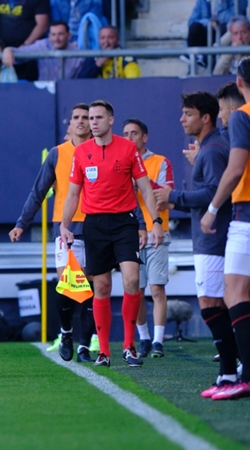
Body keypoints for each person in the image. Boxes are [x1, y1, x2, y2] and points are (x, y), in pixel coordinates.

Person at [60, 99, 165, 368]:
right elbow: (73, 193)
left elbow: (144, 187)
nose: (92, 122)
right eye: (90, 118)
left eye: (97, 117)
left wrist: (154, 221)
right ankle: (104, 352)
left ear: (110, 120)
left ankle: (129, 347)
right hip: (94, 224)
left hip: (125, 223)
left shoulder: (129, 148)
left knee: (131, 281)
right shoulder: (81, 152)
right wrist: (64, 224)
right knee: (102, 286)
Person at [153, 91, 236, 398]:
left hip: (213, 238)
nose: (181, 119)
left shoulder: (213, 149)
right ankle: (234, 367)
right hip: (213, 237)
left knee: (211, 305)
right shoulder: (210, 147)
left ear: (206, 117)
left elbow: (215, 192)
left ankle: (230, 371)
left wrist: (173, 197)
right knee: (224, 304)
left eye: (187, 113)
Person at [10, 104, 98, 362]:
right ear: (69, 124)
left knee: (91, 289)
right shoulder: (58, 154)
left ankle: (84, 345)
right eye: (77, 118)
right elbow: (38, 192)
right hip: (66, 227)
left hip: (96, 226)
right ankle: (66, 333)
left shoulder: (100, 151)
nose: (81, 121)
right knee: (69, 286)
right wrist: (21, 224)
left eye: (86, 117)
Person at [199, 58, 250, 400]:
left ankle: (244, 374)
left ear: (239, 80)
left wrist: (213, 208)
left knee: (234, 294)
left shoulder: (244, 114)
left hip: (245, 213)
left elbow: (235, 169)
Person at [122, 118, 173, 359]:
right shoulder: (120, 162)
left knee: (157, 288)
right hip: (129, 232)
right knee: (136, 290)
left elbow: (166, 194)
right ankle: (143, 337)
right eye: (126, 134)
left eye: (134, 133)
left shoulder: (160, 161)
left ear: (145, 137)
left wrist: (141, 181)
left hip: (156, 232)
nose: (130, 138)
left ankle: (158, 341)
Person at [2, 21, 84, 81]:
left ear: (69, 36)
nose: (56, 39)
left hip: (69, 93)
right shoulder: (42, 45)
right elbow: (23, 53)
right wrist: (8, 50)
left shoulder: (78, 54)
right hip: (45, 93)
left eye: (60, 34)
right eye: (53, 34)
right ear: (49, 36)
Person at [0, 0, 49, 81]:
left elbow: (42, 25)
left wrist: (26, 45)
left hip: (29, 51)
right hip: (2, 49)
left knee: (29, 86)